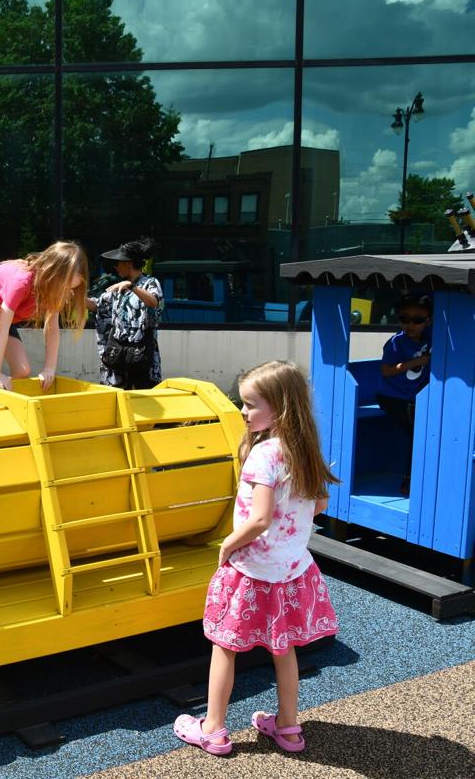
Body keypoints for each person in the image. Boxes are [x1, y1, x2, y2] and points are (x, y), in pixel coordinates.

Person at [173, 360, 339, 757]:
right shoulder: (304, 449)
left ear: (278, 409)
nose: (243, 411)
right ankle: (288, 727)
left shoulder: (264, 455)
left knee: (225, 646)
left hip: (252, 570)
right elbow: (318, 504)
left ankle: (212, 728)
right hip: (291, 568)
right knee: (283, 648)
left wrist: (228, 544)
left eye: (250, 404)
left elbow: (260, 519)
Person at [0, 240, 89, 392]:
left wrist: (49, 369)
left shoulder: (54, 292)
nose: (66, 291)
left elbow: (52, 327)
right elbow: (2, 327)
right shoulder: (22, 280)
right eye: (64, 285)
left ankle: (3, 400)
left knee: (22, 371)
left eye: (71, 288)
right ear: (52, 272)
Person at [86, 238, 163, 390]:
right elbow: (97, 305)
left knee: (143, 401)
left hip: (142, 354)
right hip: (119, 354)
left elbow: (154, 302)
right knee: (118, 398)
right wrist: (74, 296)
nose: (115, 267)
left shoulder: (150, 283)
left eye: (118, 263)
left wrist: (131, 286)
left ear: (128, 263)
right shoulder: (118, 285)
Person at [376, 293, 432, 495]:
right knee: (418, 429)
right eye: (404, 318)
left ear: (428, 321)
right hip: (392, 396)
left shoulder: (431, 337)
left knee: (423, 425)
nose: (410, 324)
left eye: (418, 320)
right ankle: (410, 478)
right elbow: (386, 371)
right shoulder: (395, 343)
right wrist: (416, 362)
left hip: (415, 397)